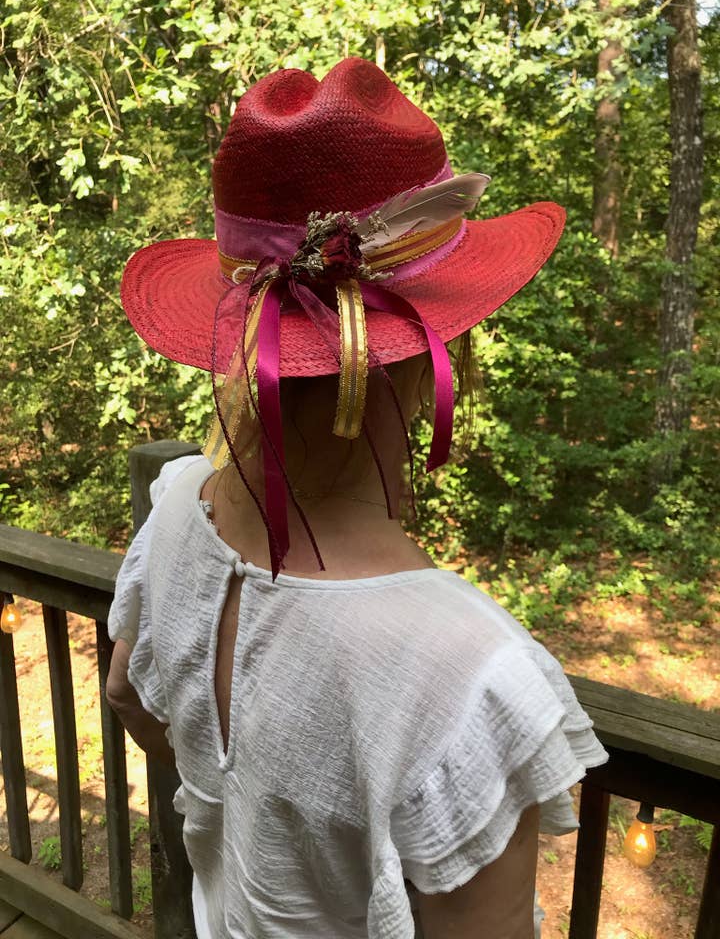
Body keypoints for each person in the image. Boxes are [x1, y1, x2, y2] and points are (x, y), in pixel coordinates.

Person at [105, 58, 608, 939]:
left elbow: (126, 692)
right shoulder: (471, 678)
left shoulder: (178, 505)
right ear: (427, 358)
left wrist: (239, 804)